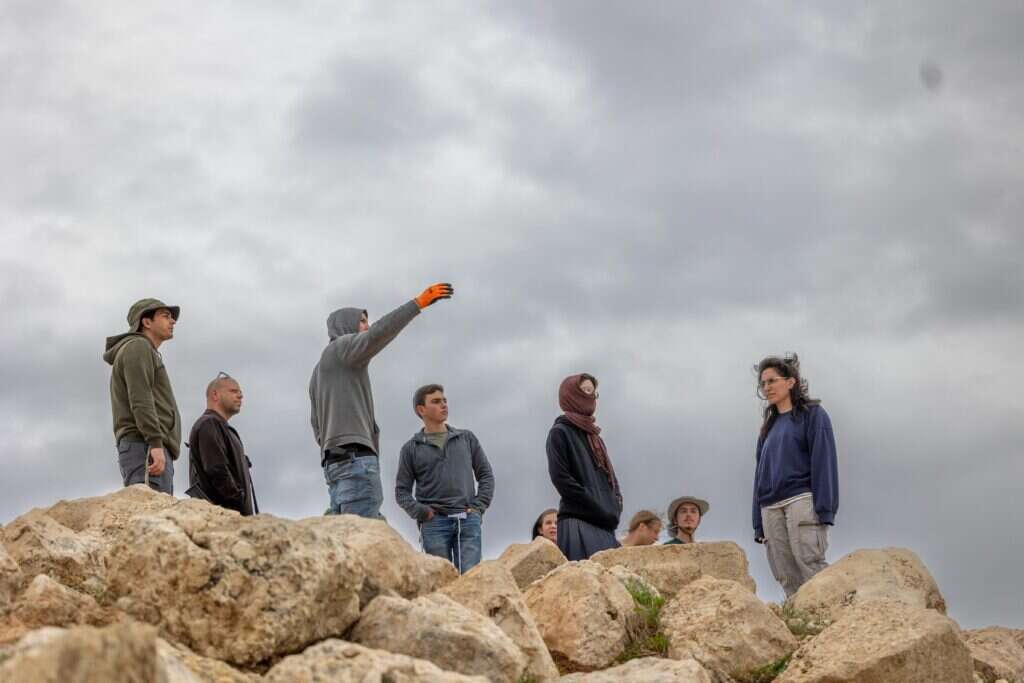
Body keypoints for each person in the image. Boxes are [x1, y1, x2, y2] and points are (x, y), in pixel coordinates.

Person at [310, 283, 453, 518]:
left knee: (348, 536)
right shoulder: (342, 349)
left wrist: (335, 448)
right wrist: (418, 303)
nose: (367, 326)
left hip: (335, 464)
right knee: (365, 536)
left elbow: (317, 426)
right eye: (363, 321)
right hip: (355, 462)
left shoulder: (318, 372)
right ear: (347, 325)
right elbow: (379, 333)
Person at [752, 354, 839, 597]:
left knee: (810, 564)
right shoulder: (767, 428)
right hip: (770, 506)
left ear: (791, 382)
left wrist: (825, 508)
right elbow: (759, 476)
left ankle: (831, 619)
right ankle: (802, 627)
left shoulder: (812, 415)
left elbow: (824, 461)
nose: (767, 387)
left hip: (801, 499)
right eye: (763, 383)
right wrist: (758, 524)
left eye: (772, 381)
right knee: (785, 574)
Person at [395, 384, 494, 574]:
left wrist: (478, 508)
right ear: (421, 409)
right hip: (434, 525)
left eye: (444, 400)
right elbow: (401, 492)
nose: (444, 405)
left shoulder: (466, 438)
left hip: (467, 520)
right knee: (440, 584)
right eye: (436, 401)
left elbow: (486, 475)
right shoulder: (410, 449)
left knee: (471, 579)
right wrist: (423, 513)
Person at [103, 298, 182, 494]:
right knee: (152, 515)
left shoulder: (144, 350)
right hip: (145, 446)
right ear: (146, 322)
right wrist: (155, 443)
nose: (172, 321)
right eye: (165, 316)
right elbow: (140, 399)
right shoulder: (138, 347)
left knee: (157, 515)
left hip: (147, 446)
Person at [546, 373, 623, 561]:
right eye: (585, 391)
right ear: (571, 394)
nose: (590, 397)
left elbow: (610, 480)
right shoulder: (560, 432)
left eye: (593, 393)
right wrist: (596, 506)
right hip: (578, 524)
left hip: (605, 526)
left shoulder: (596, 439)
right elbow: (561, 479)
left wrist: (615, 505)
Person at [186, 373, 258, 516]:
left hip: (232, 517)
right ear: (215, 395)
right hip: (222, 518)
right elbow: (216, 470)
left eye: (240, 392)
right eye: (233, 391)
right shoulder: (209, 424)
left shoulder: (222, 428)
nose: (240, 396)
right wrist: (238, 500)